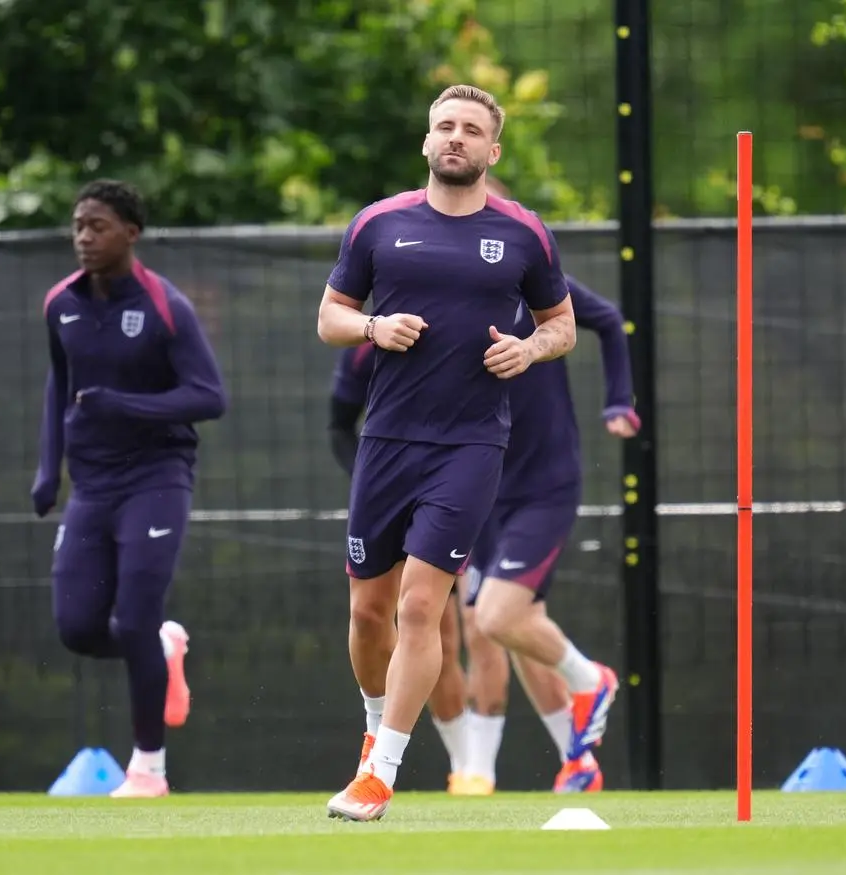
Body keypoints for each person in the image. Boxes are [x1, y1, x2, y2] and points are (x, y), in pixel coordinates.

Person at [316, 82, 580, 822]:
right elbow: (330, 316)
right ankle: (374, 734)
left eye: (470, 129)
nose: (455, 137)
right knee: (369, 612)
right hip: (386, 441)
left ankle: (381, 775)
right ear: (426, 142)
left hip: (469, 445)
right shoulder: (376, 225)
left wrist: (528, 349)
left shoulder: (524, 232)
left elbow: (561, 326)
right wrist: (372, 328)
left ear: (492, 150)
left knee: (423, 605)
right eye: (444, 126)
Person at [30, 179, 227, 799]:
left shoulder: (166, 306)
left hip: (156, 478)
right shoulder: (59, 303)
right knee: (78, 628)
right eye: (78, 225)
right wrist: (47, 468)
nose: (84, 237)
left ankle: (148, 769)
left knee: (136, 614)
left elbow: (209, 397)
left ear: (130, 234)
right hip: (92, 483)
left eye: (98, 226)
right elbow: (59, 388)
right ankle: (164, 649)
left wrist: (124, 405)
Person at [453, 177, 639, 796]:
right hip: (476, 483)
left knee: (499, 616)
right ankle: (578, 760)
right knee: (513, 623)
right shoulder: (431, 278)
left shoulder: (530, 270)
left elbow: (608, 321)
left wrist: (619, 401)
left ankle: (593, 681)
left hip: (542, 481)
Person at [328, 344, 473, 794]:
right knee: (371, 616)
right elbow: (339, 424)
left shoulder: (470, 326)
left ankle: (467, 767)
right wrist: (372, 482)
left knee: (434, 623)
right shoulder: (366, 346)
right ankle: (375, 734)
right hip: (383, 483)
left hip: (449, 486)